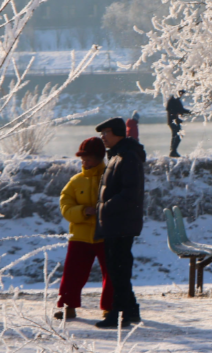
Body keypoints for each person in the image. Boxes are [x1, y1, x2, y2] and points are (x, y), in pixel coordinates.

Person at [94, 117, 147, 329]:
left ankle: (118, 315)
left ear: (117, 133)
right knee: (118, 269)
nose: (103, 137)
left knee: (118, 270)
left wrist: (104, 208)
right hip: (116, 223)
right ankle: (131, 311)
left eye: (105, 132)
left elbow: (130, 193)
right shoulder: (118, 155)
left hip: (121, 223)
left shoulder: (127, 156)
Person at [55, 137, 109, 321]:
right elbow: (65, 206)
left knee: (110, 274)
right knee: (72, 273)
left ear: (99, 158)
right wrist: (83, 211)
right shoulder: (75, 181)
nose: (85, 163)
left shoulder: (110, 177)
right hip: (79, 235)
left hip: (105, 235)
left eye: (89, 159)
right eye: (83, 159)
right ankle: (67, 307)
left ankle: (109, 308)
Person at [166, 92, 191, 158]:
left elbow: (181, 110)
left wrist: (190, 112)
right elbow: (170, 109)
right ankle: (173, 151)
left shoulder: (176, 100)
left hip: (176, 121)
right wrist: (176, 114)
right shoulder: (172, 100)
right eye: (181, 93)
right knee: (178, 135)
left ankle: (173, 151)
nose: (182, 95)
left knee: (176, 135)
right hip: (173, 121)